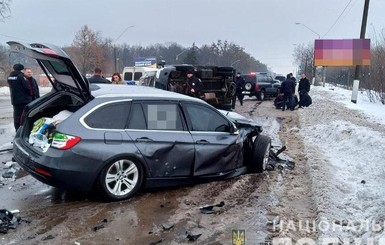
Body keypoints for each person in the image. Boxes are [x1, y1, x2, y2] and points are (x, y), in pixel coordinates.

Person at [7, 65, 40, 131]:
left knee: (16, 117)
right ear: (22, 70)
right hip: (24, 101)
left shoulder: (9, 77)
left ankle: (17, 130)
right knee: (24, 117)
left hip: (15, 101)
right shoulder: (21, 77)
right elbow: (27, 87)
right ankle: (23, 131)